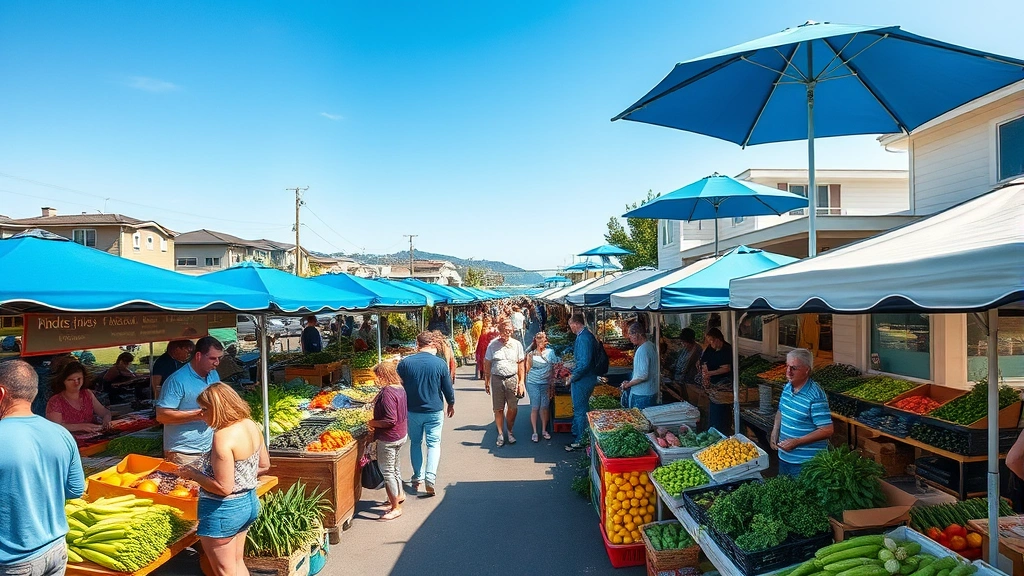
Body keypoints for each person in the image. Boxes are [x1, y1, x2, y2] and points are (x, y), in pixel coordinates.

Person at [0, 360, 86, 575]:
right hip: (56, 550)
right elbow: (75, 490)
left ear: (1, 393)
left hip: (12, 560)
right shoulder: (61, 433)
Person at [176, 383, 270, 576]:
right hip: (248, 502)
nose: (201, 414)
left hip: (223, 510)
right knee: (236, 564)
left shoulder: (222, 437)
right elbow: (264, 465)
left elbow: (224, 488)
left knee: (225, 572)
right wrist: (242, 478)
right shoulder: (250, 424)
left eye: (204, 409)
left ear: (218, 408)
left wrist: (194, 474)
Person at [397, 332, 455, 497]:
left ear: (418, 344)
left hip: (413, 410)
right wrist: (451, 403)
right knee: (434, 444)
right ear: (432, 345)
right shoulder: (440, 364)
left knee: (415, 443)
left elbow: (399, 387)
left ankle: (418, 477)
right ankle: (431, 477)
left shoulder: (405, 363)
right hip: (434, 410)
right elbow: (447, 388)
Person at [156, 336, 224, 465]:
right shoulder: (177, 380)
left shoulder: (213, 374)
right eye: (212, 358)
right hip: (183, 452)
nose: (217, 363)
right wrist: (199, 415)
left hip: (210, 448)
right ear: (198, 356)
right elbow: (161, 416)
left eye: (219, 358)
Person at [770, 349, 833, 477]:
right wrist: (775, 430)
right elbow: (781, 410)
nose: (788, 371)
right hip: (784, 458)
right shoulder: (788, 387)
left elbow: (827, 430)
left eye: (794, 368)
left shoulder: (815, 395)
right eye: (787, 366)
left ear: (807, 370)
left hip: (806, 464)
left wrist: (797, 441)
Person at [367, 362, 408, 521]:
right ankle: (399, 495)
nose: (376, 380)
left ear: (383, 376)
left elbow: (389, 420)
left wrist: (371, 423)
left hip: (389, 438)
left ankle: (395, 508)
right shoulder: (400, 388)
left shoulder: (387, 393)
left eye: (377, 376)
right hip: (400, 434)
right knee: (395, 468)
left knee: (387, 471)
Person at [483, 320, 526, 447]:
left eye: (510, 330)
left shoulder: (517, 344)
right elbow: (487, 362)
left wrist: (521, 381)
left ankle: (510, 430)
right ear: (500, 331)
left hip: (512, 378)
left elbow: (521, 363)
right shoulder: (492, 345)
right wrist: (486, 380)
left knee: (513, 407)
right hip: (497, 378)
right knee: (498, 408)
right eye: (506, 330)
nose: (508, 333)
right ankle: (501, 433)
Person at [46, 360, 112, 433]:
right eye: (71, 380)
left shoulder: (87, 394)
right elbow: (55, 427)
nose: (76, 383)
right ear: (63, 381)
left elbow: (104, 412)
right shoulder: (55, 401)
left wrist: (107, 418)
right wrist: (81, 426)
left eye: (79, 379)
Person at [565, 313, 599, 452]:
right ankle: (578, 434)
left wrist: (573, 377)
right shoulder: (585, 336)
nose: (570, 328)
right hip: (585, 377)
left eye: (571, 325)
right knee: (580, 408)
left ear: (576, 323)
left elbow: (584, 363)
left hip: (583, 379)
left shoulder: (584, 338)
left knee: (580, 410)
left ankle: (581, 439)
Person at [524, 332, 557, 443]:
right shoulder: (531, 354)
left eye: (542, 340)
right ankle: (535, 432)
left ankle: (543, 430)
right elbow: (527, 370)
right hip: (533, 382)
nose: (540, 342)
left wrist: (552, 381)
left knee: (545, 407)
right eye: (538, 340)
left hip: (546, 383)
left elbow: (554, 366)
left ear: (546, 341)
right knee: (535, 407)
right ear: (536, 341)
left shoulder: (550, 353)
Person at [700, 327, 734, 432]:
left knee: (721, 410)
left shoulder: (727, 349)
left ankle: (722, 431)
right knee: (713, 408)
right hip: (712, 385)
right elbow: (703, 361)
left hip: (724, 386)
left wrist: (710, 373)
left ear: (718, 339)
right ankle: (713, 429)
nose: (710, 343)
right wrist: (705, 374)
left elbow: (726, 368)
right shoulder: (710, 348)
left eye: (711, 340)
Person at [621, 323, 659, 410]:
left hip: (642, 394)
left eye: (630, 335)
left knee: (640, 421)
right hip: (651, 391)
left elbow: (643, 376)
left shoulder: (642, 350)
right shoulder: (650, 345)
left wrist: (627, 385)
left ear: (637, 334)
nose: (630, 338)